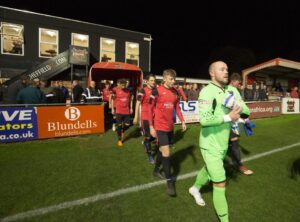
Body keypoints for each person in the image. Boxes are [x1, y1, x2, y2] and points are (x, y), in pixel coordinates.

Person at [188, 61, 249, 222]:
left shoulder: (231, 90)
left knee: (208, 169)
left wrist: (235, 105)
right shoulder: (207, 92)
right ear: (212, 73)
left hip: (223, 144)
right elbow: (204, 120)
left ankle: (195, 188)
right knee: (220, 183)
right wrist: (229, 116)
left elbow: (246, 109)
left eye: (227, 69)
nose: (226, 72)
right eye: (221, 69)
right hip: (209, 144)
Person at [148, 69, 187, 197]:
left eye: (174, 79)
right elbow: (149, 108)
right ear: (164, 79)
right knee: (167, 152)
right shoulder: (156, 91)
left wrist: (182, 121)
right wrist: (151, 126)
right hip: (159, 127)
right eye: (171, 79)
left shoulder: (175, 92)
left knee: (161, 151)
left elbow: (177, 108)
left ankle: (155, 170)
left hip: (170, 127)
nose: (173, 81)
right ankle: (169, 182)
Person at [228, 73, 253, 175]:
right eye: (238, 82)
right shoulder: (229, 90)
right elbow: (233, 106)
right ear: (234, 81)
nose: (239, 84)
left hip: (233, 120)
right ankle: (239, 165)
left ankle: (238, 164)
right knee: (234, 143)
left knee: (233, 143)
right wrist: (244, 118)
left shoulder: (235, 91)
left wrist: (245, 117)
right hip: (228, 121)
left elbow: (240, 104)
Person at [133, 74, 156, 164]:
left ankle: (146, 142)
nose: (153, 82)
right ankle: (150, 156)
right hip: (145, 117)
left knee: (155, 136)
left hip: (154, 117)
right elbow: (138, 103)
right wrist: (136, 117)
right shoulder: (143, 91)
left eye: (154, 80)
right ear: (146, 81)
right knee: (148, 136)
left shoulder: (155, 91)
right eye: (151, 80)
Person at [111, 79, 133, 146]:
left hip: (126, 111)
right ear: (120, 84)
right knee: (119, 126)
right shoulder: (116, 90)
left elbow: (131, 100)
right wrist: (112, 108)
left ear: (126, 84)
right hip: (118, 111)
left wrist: (131, 108)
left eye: (124, 84)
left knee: (127, 125)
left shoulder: (128, 91)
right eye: (122, 84)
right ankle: (119, 140)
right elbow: (112, 99)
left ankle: (123, 130)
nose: (123, 85)